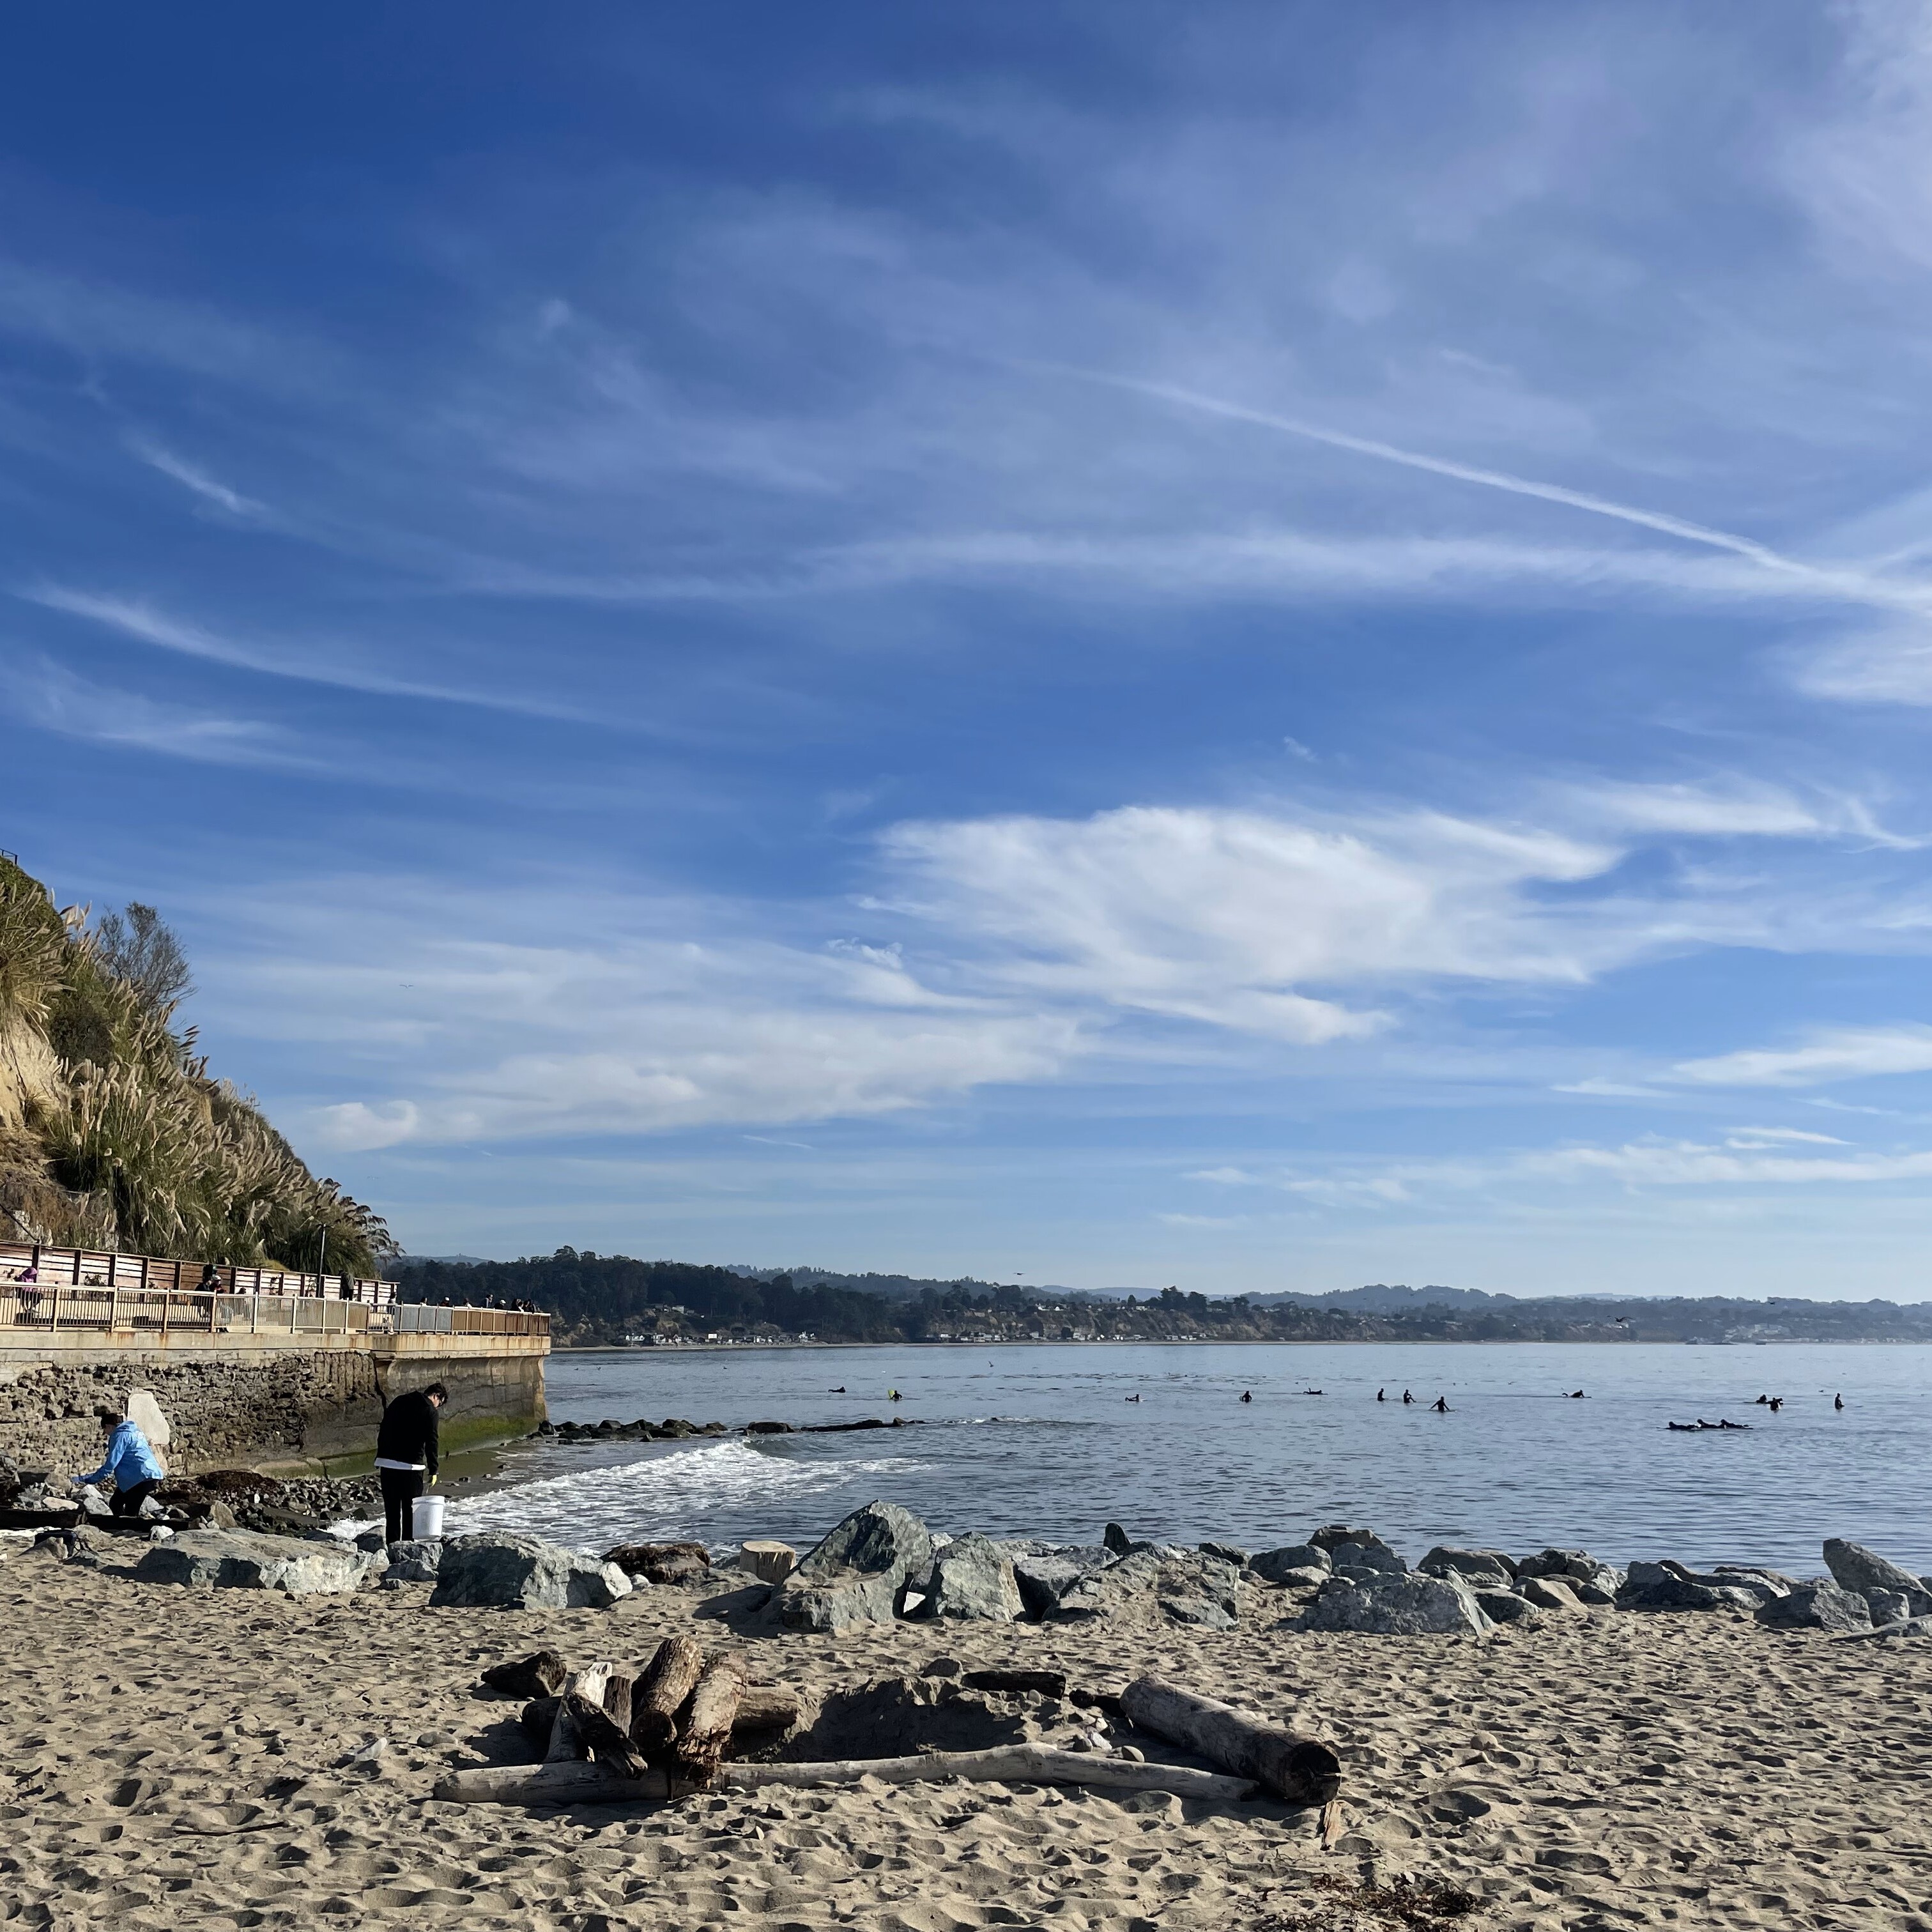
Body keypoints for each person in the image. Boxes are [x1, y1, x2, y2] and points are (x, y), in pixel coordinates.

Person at [374, 1380, 447, 1545]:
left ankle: (392, 1548)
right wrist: (434, 1469)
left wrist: (381, 1455)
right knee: (410, 1512)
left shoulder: (400, 1400)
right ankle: (406, 1549)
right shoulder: (430, 1411)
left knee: (392, 1512)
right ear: (436, 1396)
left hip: (387, 1464)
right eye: (439, 1404)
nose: (437, 1407)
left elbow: (384, 1427)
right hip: (411, 1467)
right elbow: (432, 1442)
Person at [78, 1406, 167, 1517]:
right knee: (120, 1503)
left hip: (140, 1476)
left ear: (109, 1426)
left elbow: (112, 1463)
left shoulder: (119, 1435)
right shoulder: (135, 1432)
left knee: (122, 1506)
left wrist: (92, 1479)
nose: (106, 1434)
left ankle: (128, 1528)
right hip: (149, 1473)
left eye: (105, 1430)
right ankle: (128, 1527)